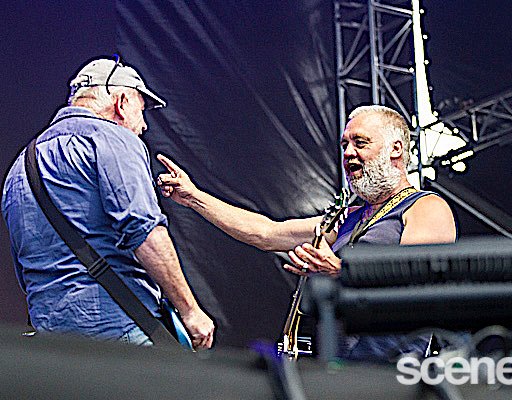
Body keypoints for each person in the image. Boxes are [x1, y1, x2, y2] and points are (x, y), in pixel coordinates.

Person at [156, 104, 455, 360]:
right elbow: (266, 232)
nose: (348, 153)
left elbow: (414, 282)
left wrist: (340, 271)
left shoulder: (425, 207)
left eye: (360, 143)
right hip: (340, 369)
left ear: (396, 149)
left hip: (393, 371)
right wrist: (193, 197)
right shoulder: (349, 218)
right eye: (344, 145)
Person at [1, 57, 214, 350]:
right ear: (122, 103)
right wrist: (190, 311)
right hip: (119, 331)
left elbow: (24, 266)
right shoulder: (113, 139)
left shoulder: (20, 168)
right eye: (141, 110)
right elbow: (145, 233)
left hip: (50, 341)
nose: (144, 126)